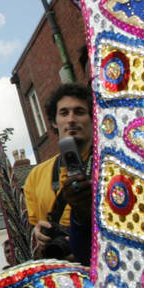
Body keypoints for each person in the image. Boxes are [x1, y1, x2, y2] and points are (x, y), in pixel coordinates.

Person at [23, 83, 94, 264]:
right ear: (54, 122)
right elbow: (31, 229)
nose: (71, 119)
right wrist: (37, 235)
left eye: (79, 112)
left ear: (93, 118)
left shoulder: (111, 165)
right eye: (64, 113)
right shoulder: (36, 176)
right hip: (59, 273)